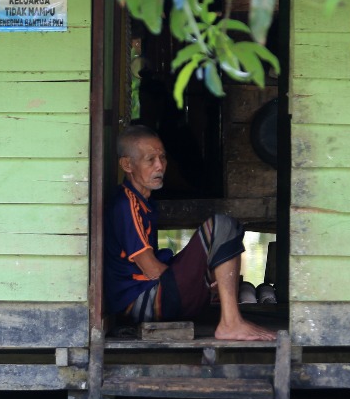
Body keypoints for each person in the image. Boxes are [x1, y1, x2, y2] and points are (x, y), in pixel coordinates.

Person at [104, 125, 275, 341]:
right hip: (142, 303)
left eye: (163, 158)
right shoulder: (126, 204)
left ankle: (230, 319)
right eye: (150, 160)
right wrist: (198, 280)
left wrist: (203, 280)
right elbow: (151, 269)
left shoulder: (144, 202)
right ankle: (231, 323)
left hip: (148, 298)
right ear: (127, 164)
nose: (160, 166)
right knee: (221, 225)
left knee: (218, 240)